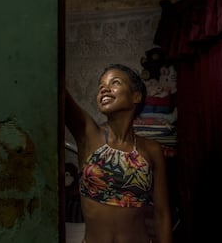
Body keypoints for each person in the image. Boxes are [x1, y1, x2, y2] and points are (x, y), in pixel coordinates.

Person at [65, 63, 172, 243]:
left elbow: (161, 213)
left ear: (136, 96)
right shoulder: (88, 135)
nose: (105, 89)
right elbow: (61, 94)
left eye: (115, 83)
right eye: (101, 86)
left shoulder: (152, 150)